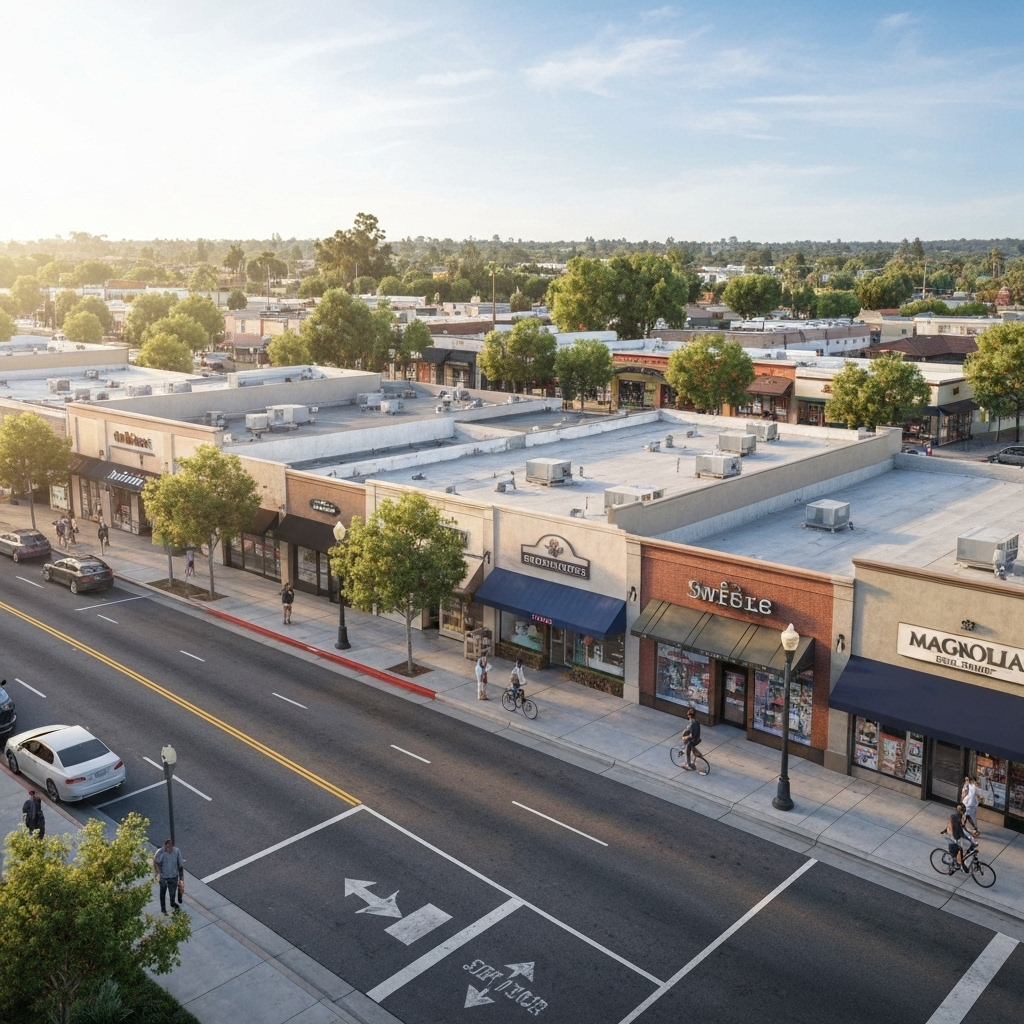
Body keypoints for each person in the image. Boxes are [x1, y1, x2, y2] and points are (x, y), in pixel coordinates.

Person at [941, 804, 974, 872]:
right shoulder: (957, 816)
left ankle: (956, 863)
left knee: (963, 847)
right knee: (963, 848)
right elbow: (958, 829)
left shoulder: (956, 815)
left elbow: (960, 827)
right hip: (953, 836)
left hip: (953, 835)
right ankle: (959, 864)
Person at [153, 838, 184, 914]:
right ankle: (163, 909)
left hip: (173, 877)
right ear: (165, 846)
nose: (168, 849)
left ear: (172, 846)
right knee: (162, 893)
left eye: (170, 847)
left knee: (172, 895)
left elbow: (180, 865)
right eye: (167, 847)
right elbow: (155, 862)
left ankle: (173, 904)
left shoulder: (176, 851)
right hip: (164, 878)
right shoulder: (161, 852)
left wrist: (181, 878)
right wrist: (157, 873)